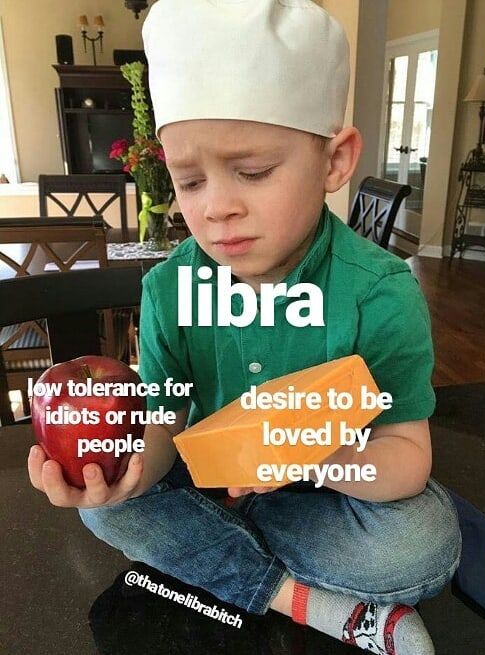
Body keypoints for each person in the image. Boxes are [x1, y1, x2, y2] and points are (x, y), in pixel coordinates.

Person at [27, 1, 461, 653]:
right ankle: (304, 600)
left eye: (253, 172)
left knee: (426, 543)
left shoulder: (380, 294)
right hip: (198, 481)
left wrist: (316, 454)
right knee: (100, 504)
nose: (219, 207)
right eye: (190, 180)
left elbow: (405, 458)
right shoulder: (170, 288)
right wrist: (133, 476)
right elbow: (167, 427)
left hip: (319, 498)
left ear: (335, 160)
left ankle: (207, 553)